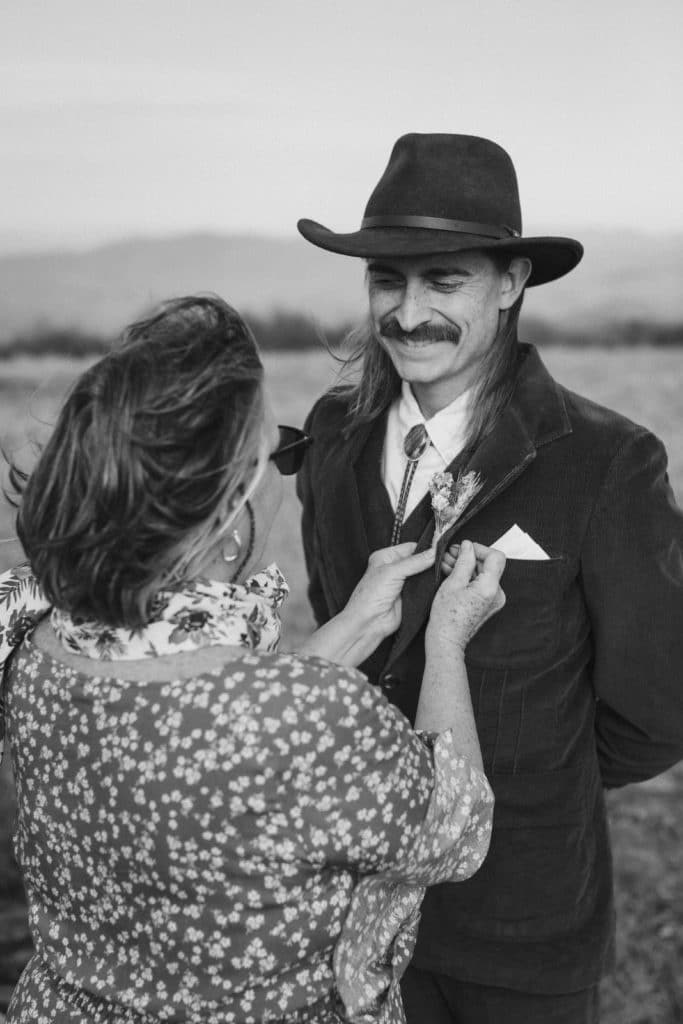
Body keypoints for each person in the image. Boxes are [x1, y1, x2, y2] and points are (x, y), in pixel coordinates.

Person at [0, 295, 505, 1024]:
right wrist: (446, 641)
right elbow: (457, 830)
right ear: (229, 521)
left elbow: (214, 722)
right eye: (281, 454)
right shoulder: (304, 719)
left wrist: (359, 620)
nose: (286, 475)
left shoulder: (42, 646)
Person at [296, 133, 683, 1023]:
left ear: (510, 284)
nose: (406, 311)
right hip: (343, 907)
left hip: (521, 919)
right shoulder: (328, 436)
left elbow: (661, 708)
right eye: (387, 281)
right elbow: (344, 639)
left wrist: (534, 780)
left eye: (443, 281)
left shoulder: (605, 461)